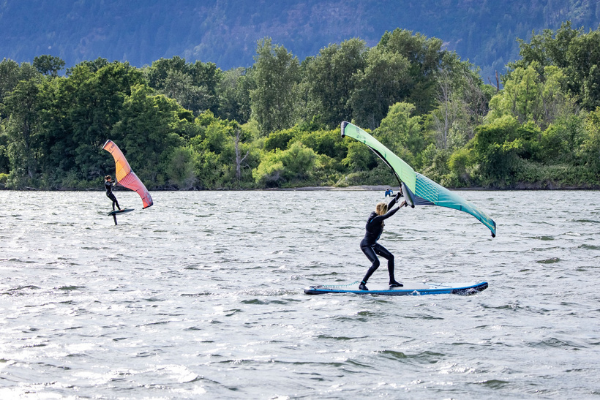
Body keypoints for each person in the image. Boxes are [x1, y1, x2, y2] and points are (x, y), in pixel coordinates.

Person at [359, 191, 407, 290]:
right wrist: (399, 207)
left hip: (372, 244)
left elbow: (388, 208)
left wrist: (397, 196)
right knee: (376, 263)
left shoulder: (378, 214)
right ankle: (362, 283)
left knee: (390, 257)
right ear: (381, 211)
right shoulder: (375, 218)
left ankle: (392, 281)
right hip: (366, 245)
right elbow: (387, 215)